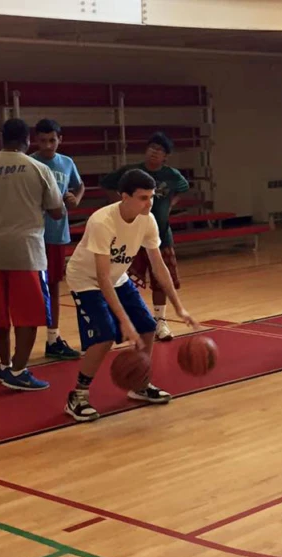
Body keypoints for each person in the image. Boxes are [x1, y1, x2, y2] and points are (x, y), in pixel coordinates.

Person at [64, 169, 199, 422]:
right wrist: (124, 321)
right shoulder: (102, 221)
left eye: (152, 197)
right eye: (143, 197)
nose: (150, 203)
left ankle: (139, 383)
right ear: (124, 196)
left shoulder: (147, 220)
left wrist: (179, 308)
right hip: (86, 279)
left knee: (148, 327)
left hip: (117, 277)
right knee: (104, 336)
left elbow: (159, 267)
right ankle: (78, 395)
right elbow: (102, 278)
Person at [0, 118, 64, 390]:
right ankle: (19, 372)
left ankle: (4, 364)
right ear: (28, 141)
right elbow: (57, 211)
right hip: (25, 251)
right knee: (28, 314)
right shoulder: (39, 168)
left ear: (1, 138)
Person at [100, 132, 189, 342]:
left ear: (166, 156)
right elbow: (107, 183)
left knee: (161, 279)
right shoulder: (132, 173)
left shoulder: (172, 175)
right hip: (132, 238)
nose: (154, 152)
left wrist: (170, 205)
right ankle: (130, 321)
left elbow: (184, 188)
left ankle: (160, 321)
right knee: (127, 281)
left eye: (159, 150)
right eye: (151, 147)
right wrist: (119, 206)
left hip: (161, 235)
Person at [31, 118, 84, 360]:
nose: (48, 145)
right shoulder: (30, 162)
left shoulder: (67, 162)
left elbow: (78, 186)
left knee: (53, 284)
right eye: (42, 140)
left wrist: (76, 198)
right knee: (31, 288)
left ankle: (53, 338)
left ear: (60, 140)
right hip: (33, 233)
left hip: (57, 232)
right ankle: (23, 342)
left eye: (52, 140)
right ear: (35, 140)